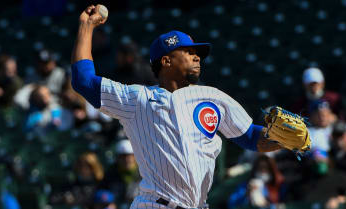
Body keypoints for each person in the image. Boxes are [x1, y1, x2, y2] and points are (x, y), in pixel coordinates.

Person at [70, 5, 295, 208]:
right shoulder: (138, 99)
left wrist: (284, 139)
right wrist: (86, 27)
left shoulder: (213, 97)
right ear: (166, 61)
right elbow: (84, 81)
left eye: (197, 54)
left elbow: (249, 137)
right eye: (189, 52)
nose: (197, 57)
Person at [100, 140, 141, 207]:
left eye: (129, 156)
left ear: (135, 156)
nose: (126, 160)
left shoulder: (144, 173)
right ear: (117, 158)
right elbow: (103, 192)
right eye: (122, 156)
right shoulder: (110, 174)